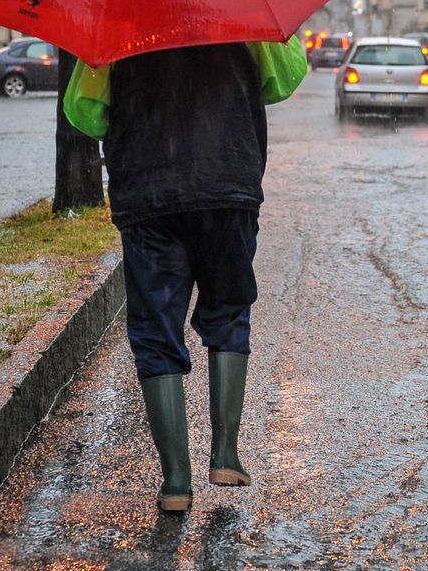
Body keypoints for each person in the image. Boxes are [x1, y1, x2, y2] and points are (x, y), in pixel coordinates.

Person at [63, 36, 306, 513]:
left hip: (149, 193)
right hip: (227, 183)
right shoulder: (241, 7)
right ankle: (226, 453)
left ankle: (175, 481)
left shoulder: (120, 20)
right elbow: (283, 79)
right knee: (228, 310)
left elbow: (85, 112)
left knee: (156, 332)